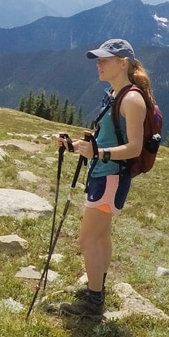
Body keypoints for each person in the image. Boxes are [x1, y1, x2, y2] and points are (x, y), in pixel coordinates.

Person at [48, 38, 154, 320]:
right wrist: (74, 146)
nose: (99, 64)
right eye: (98, 59)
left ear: (123, 63)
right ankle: (98, 288)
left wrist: (100, 152)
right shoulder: (114, 93)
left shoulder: (131, 99)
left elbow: (134, 147)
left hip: (110, 177)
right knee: (101, 235)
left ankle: (94, 303)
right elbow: (106, 138)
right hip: (104, 174)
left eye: (105, 60)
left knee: (87, 239)